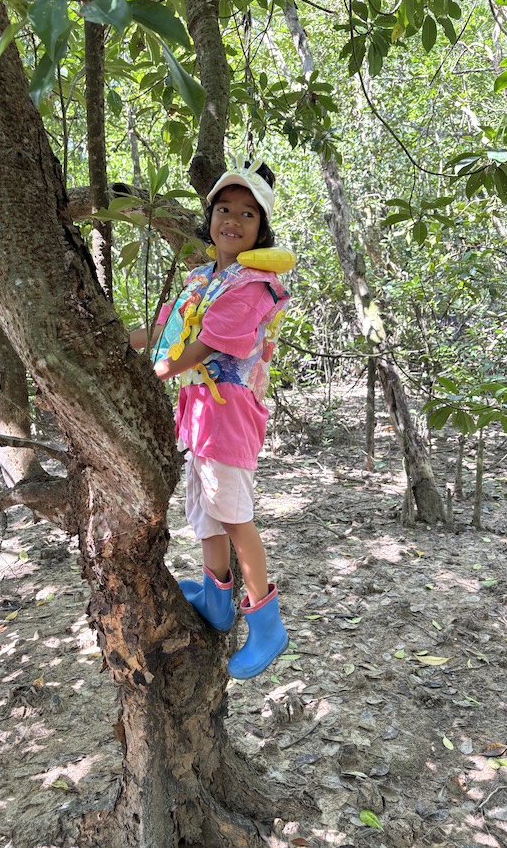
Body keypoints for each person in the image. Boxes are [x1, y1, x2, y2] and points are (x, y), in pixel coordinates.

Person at [130, 157, 291, 679]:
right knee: (204, 509)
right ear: (210, 215)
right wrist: (114, 342)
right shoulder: (202, 278)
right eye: (225, 208)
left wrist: (157, 369)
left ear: (260, 229)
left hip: (230, 416)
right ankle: (218, 598)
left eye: (248, 214)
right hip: (198, 415)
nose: (233, 220)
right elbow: (164, 335)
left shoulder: (252, 285)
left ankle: (266, 620)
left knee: (235, 515)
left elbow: (197, 348)